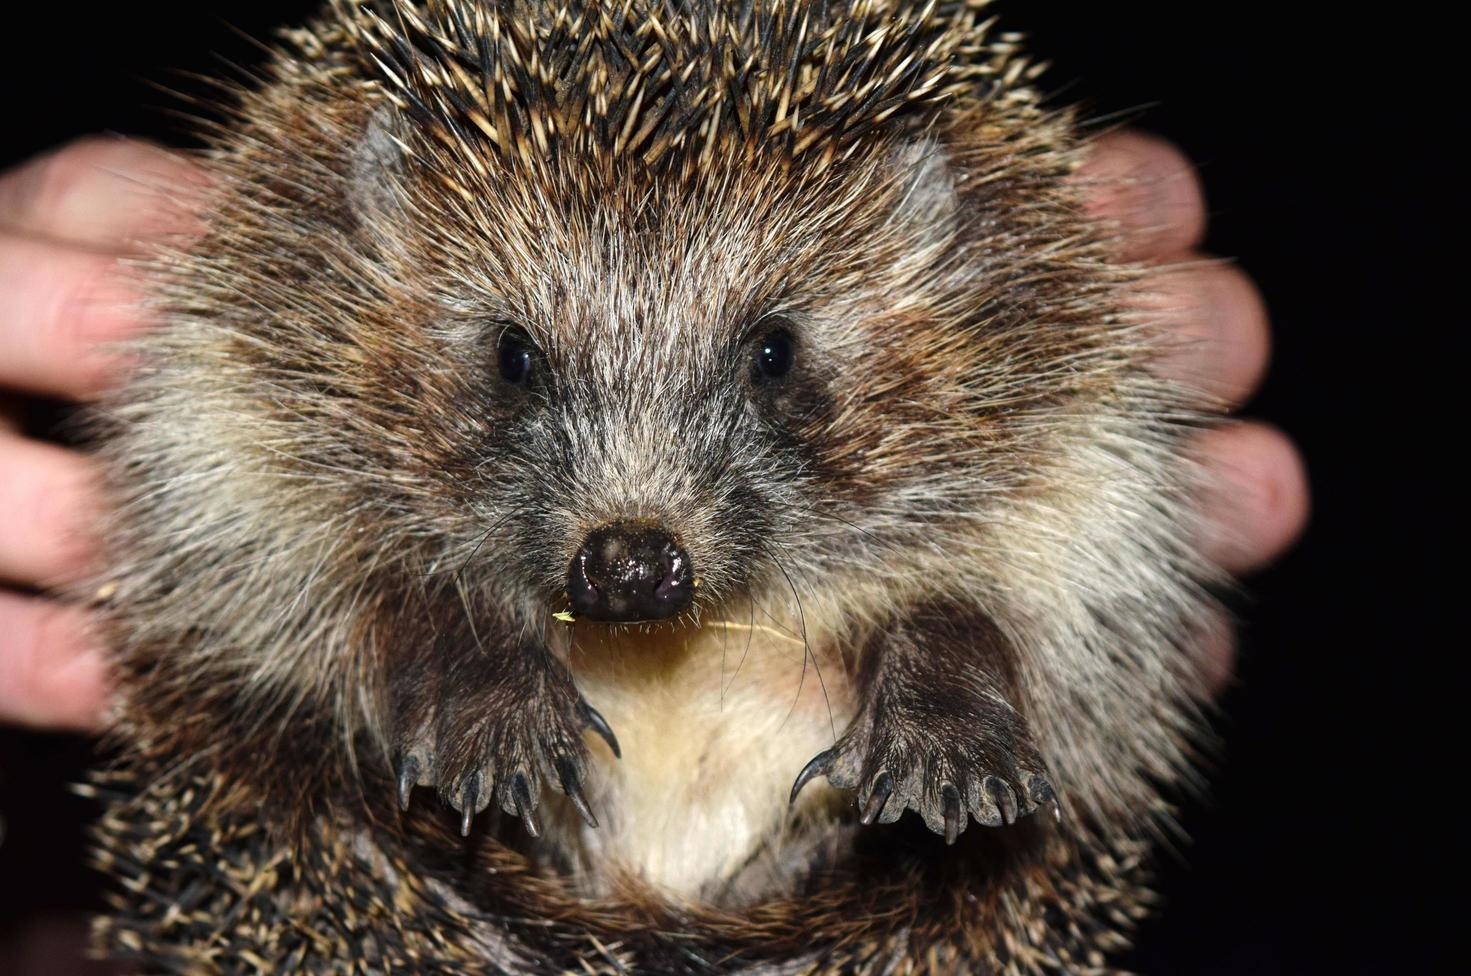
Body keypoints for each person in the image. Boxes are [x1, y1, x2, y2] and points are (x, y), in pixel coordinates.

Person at [0, 132, 1308, 731]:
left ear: (919, 260)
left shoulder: (1004, 405)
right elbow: (225, 608)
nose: (631, 526)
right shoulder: (286, 359)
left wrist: (962, 672)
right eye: (515, 366)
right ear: (383, 247)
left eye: (773, 361)